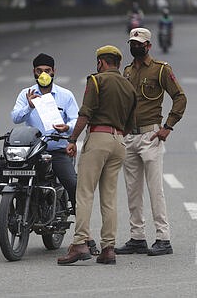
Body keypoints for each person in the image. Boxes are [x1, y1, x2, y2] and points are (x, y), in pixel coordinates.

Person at [10, 53, 100, 255]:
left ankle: (86, 236)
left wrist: (65, 129)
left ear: (54, 72)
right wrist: (29, 105)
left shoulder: (65, 95)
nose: (43, 74)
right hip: (32, 151)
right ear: (34, 72)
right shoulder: (26, 94)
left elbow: (76, 120)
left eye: (47, 71)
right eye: (39, 71)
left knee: (74, 185)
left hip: (57, 149)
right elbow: (15, 117)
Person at [57, 46, 137, 265]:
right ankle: (108, 249)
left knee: (84, 193)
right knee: (109, 198)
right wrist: (116, 135)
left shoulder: (96, 80)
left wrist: (72, 139)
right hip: (119, 142)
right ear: (118, 64)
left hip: (98, 139)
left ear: (101, 62)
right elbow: (132, 123)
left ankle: (80, 243)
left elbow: (85, 113)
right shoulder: (129, 87)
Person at [116, 27, 187, 257]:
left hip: (151, 135)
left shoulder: (160, 70)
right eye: (132, 43)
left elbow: (180, 97)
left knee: (155, 190)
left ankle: (163, 238)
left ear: (148, 46)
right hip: (129, 137)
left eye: (139, 43)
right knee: (132, 191)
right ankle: (137, 238)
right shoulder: (126, 72)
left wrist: (168, 127)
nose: (134, 46)